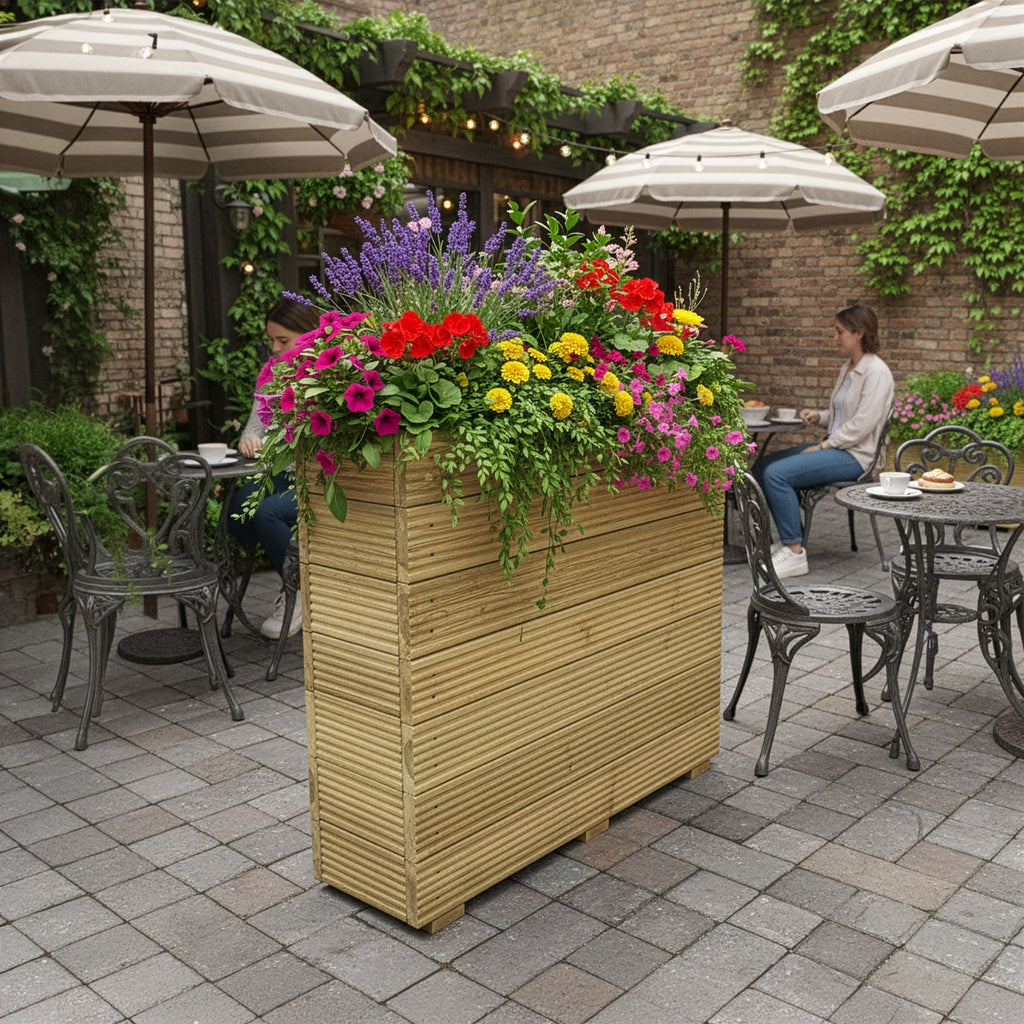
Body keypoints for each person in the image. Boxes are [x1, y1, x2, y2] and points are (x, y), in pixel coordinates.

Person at [755, 304, 893, 579]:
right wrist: (819, 416)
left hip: (856, 457)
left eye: (840, 331)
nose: (835, 337)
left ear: (859, 333)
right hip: (839, 446)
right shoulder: (849, 368)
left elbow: (863, 425)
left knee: (776, 474)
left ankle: (794, 554)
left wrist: (822, 446)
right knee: (763, 466)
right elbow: (845, 414)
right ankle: (784, 540)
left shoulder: (877, 372)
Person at [229, 297, 319, 638]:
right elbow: (254, 426)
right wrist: (249, 440)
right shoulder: (273, 374)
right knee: (237, 510)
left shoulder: (329, 371)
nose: (275, 347)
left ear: (309, 334)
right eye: (272, 340)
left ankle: (299, 591)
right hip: (278, 475)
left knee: (265, 513)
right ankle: (298, 576)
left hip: (314, 482)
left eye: (283, 340)